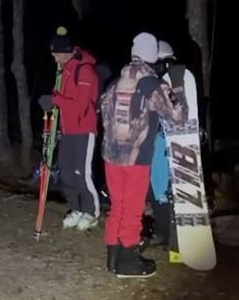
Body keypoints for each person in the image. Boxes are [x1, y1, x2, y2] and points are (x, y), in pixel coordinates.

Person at [100, 32, 186, 278]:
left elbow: (103, 112)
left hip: (111, 156)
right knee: (133, 208)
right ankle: (128, 261)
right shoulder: (152, 84)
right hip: (136, 158)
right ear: (152, 56)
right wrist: (177, 86)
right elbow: (178, 116)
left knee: (118, 206)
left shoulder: (115, 82)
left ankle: (113, 256)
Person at [42, 26, 101, 231]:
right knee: (66, 172)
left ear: (66, 52)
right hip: (67, 130)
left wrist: (56, 100)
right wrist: (51, 102)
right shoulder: (64, 70)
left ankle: (91, 212)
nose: (53, 57)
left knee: (82, 173)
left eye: (56, 53)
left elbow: (81, 105)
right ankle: (76, 208)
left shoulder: (85, 71)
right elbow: (61, 98)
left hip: (84, 129)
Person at [148, 40, 203, 246]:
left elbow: (183, 111)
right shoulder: (157, 81)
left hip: (171, 141)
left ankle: (177, 234)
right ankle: (163, 230)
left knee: (168, 187)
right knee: (158, 187)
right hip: (158, 141)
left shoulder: (178, 78)